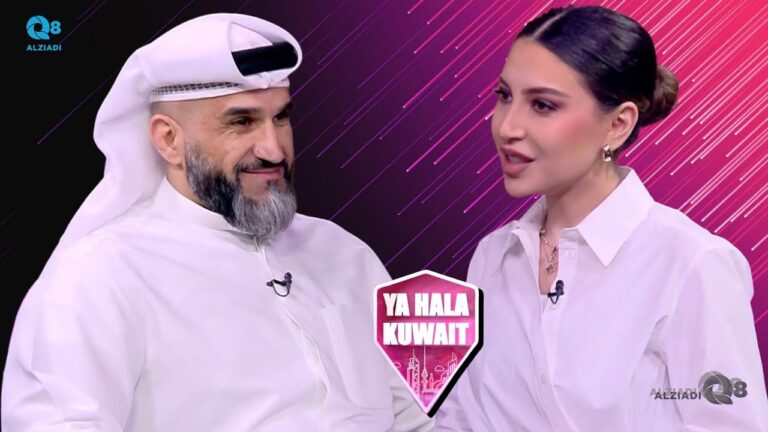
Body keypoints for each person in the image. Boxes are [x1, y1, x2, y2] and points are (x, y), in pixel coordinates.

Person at [2, 13, 432, 432]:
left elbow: (420, 418)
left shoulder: (343, 252)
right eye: (242, 122)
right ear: (169, 139)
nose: (274, 150)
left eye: (281, 117)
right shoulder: (99, 276)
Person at [434, 5, 767, 431]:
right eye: (505, 96)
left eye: (542, 105)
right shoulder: (493, 257)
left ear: (618, 124)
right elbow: (463, 418)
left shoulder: (690, 263)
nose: (507, 127)